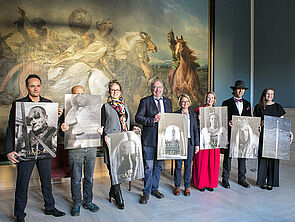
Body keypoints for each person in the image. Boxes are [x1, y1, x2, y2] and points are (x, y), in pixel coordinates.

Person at [5, 74, 65, 222]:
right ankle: (19, 214)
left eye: (37, 85)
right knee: (22, 183)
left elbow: (56, 130)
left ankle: (50, 207)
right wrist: (8, 150)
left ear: (41, 86)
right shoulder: (18, 104)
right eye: (32, 86)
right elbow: (11, 128)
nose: (35, 88)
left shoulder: (49, 104)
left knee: (46, 181)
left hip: (45, 151)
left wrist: (59, 117)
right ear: (27, 87)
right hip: (25, 150)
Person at [61, 85, 102, 216]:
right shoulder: (66, 110)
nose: (80, 95)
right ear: (72, 95)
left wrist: (100, 130)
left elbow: (97, 125)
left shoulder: (92, 110)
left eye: (82, 93)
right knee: (76, 178)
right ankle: (77, 203)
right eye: (76, 93)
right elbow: (60, 133)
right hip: (75, 147)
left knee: (89, 177)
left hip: (90, 147)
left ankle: (88, 201)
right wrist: (63, 129)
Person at [101, 79, 139, 210]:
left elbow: (127, 123)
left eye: (117, 90)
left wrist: (133, 128)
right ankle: (118, 195)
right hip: (111, 142)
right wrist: (104, 135)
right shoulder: (105, 107)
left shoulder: (125, 105)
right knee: (113, 169)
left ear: (120, 91)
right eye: (112, 90)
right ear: (109, 92)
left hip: (123, 142)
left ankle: (112, 191)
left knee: (121, 169)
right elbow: (101, 126)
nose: (114, 92)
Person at [135, 78, 172, 204]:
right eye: (155, 87)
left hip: (163, 140)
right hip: (149, 140)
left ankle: (155, 189)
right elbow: (138, 118)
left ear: (163, 89)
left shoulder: (168, 102)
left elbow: (170, 119)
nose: (158, 89)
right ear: (152, 89)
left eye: (160, 87)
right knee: (148, 167)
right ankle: (146, 192)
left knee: (159, 167)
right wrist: (152, 120)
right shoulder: (145, 101)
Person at [254, 88, 293, 190]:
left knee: (273, 160)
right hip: (263, 136)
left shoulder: (277, 107)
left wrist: (290, 133)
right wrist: (260, 124)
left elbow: (282, 122)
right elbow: (255, 123)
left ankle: (271, 182)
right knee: (262, 159)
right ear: (264, 95)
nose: (270, 96)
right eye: (268, 94)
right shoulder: (258, 107)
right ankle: (262, 181)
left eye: (272, 94)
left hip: (275, 137)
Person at [221, 80, 252, 189]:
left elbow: (250, 119)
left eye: (242, 89)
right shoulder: (226, 103)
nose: (240, 91)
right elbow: (222, 118)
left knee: (242, 157)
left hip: (243, 135)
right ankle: (225, 179)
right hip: (230, 134)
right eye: (238, 89)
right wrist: (228, 122)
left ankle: (242, 179)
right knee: (228, 157)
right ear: (234, 90)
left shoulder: (248, 104)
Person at [192, 92, 224, 191]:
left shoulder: (218, 111)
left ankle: (210, 183)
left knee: (212, 162)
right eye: (208, 98)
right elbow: (193, 125)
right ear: (205, 98)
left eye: (212, 98)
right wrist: (198, 119)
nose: (210, 100)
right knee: (202, 161)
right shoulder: (199, 110)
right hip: (203, 140)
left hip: (214, 139)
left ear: (214, 100)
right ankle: (201, 183)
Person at [173, 93, 199, 196]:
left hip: (189, 142)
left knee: (188, 166)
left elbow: (195, 130)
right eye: (183, 101)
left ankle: (187, 187)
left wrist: (197, 144)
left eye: (186, 102)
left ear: (189, 103)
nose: (185, 103)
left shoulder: (193, 115)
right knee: (178, 165)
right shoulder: (175, 114)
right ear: (180, 103)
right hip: (178, 142)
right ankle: (177, 186)